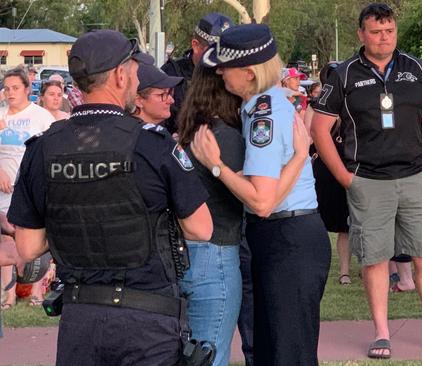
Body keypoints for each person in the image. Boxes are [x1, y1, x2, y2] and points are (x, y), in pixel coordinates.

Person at [7, 29, 213, 365]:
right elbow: (201, 227)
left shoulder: (42, 147)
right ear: (120, 75)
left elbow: (29, 247)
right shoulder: (153, 145)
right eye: (133, 70)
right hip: (147, 321)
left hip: (81, 319)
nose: (135, 78)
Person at [311, 3, 422, 359]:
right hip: (368, 180)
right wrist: (345, 178)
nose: (384, 38)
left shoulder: (417, 68)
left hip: (416, 176)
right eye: (376, 32)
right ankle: (381, 333)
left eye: (390, 31)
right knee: (376, 259)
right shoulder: (344, 74)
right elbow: (320, 129)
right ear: (361, 34)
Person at [192, 23, 331, 366]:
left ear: (249, 73)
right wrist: (299, 157)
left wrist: (216, 166)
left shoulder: (263, 113)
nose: (220, 72)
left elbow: (261, 201)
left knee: (287, 354)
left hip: (287, 239)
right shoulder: (262, 105)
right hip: (286, 235)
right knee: (276, 351)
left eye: (226, 66)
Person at [175, 64, 244, 366]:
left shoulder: (189, 134)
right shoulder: (224, 137)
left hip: (183, 251)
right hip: (215, 253)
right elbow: (255, 198)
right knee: (210, 354)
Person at [0, 68, 55, 311]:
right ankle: (8, 293)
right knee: (5, 237)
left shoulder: (40, 117)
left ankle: (36, 290)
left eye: (15, 88)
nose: (10, 93)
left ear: (26, 90)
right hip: (4, 189)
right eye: (7, 88)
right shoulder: (1, 116)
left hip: (30, 189)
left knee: (34, 236)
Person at [307, 63, 352, 285]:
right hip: (324, 169)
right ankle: (326, 268)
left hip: (347, 165)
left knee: (347, 223)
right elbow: (308, 138)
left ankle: (345, 271)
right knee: (322, 221)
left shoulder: (350, 103)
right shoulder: (316, 106)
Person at [161, 12, 232, 135]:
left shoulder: (232, 75)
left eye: (227, 51)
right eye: (215, 51)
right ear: (196, 45)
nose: (221, 58)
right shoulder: (171, 74)